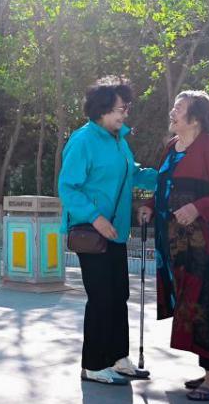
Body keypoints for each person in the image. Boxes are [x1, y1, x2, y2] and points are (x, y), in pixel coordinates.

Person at [137, 91, 209, 401]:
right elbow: (159, 184)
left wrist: (198, 207)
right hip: (178, 246)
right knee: (193, 302)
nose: (172, 111)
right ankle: (208, 372)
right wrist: (148, 205)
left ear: (196, 118)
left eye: (179, 108)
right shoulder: (172, 147)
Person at [58, 77, 158, 385]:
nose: (125, 114)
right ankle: (93, 364)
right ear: (101, 110)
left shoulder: (119, 140)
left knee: (118, 295)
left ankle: (117, 358)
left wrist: (162, 176)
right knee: (101, 297)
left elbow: (131, 172)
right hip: (92, 232)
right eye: (120, 109)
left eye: (126, 107)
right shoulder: (83, 140)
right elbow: (68, 187)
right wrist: (95, 217)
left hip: (115, 233)